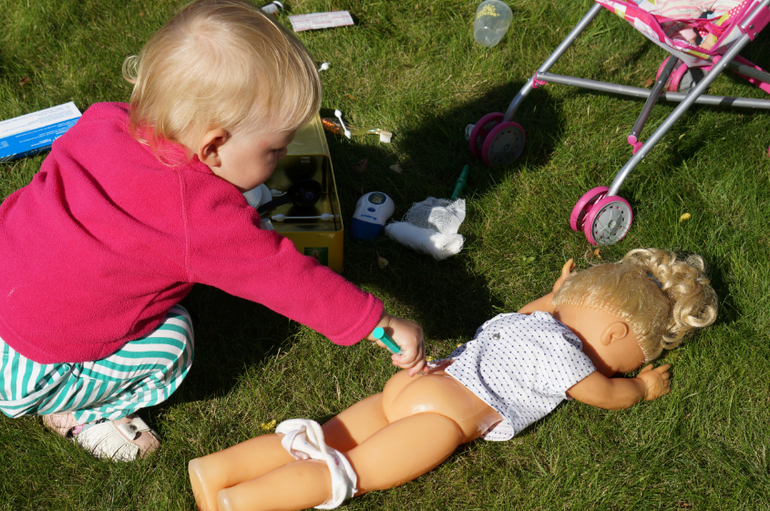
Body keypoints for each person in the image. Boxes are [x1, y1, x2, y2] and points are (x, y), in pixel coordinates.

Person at [0, 0, 425, 463]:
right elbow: (287, 278)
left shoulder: (103, 120)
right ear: (214, 146)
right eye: (275, 150)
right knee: (174, 340)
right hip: (33, 370)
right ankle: (85, 412)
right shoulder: (199, 218)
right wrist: (379, 323)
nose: (283, 159)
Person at [187, 248, 718, 511]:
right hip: (441, 417)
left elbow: (548, 304)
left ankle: (216, 471)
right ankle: (240, 505)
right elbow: (605, 395)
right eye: (624, 359)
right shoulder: (571, 360)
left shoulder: (529, 320)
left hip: (415, 383)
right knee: (350, 472)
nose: (616, 369)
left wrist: (558, 294)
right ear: (616, 333)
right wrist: (640, 388)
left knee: (327, 437)